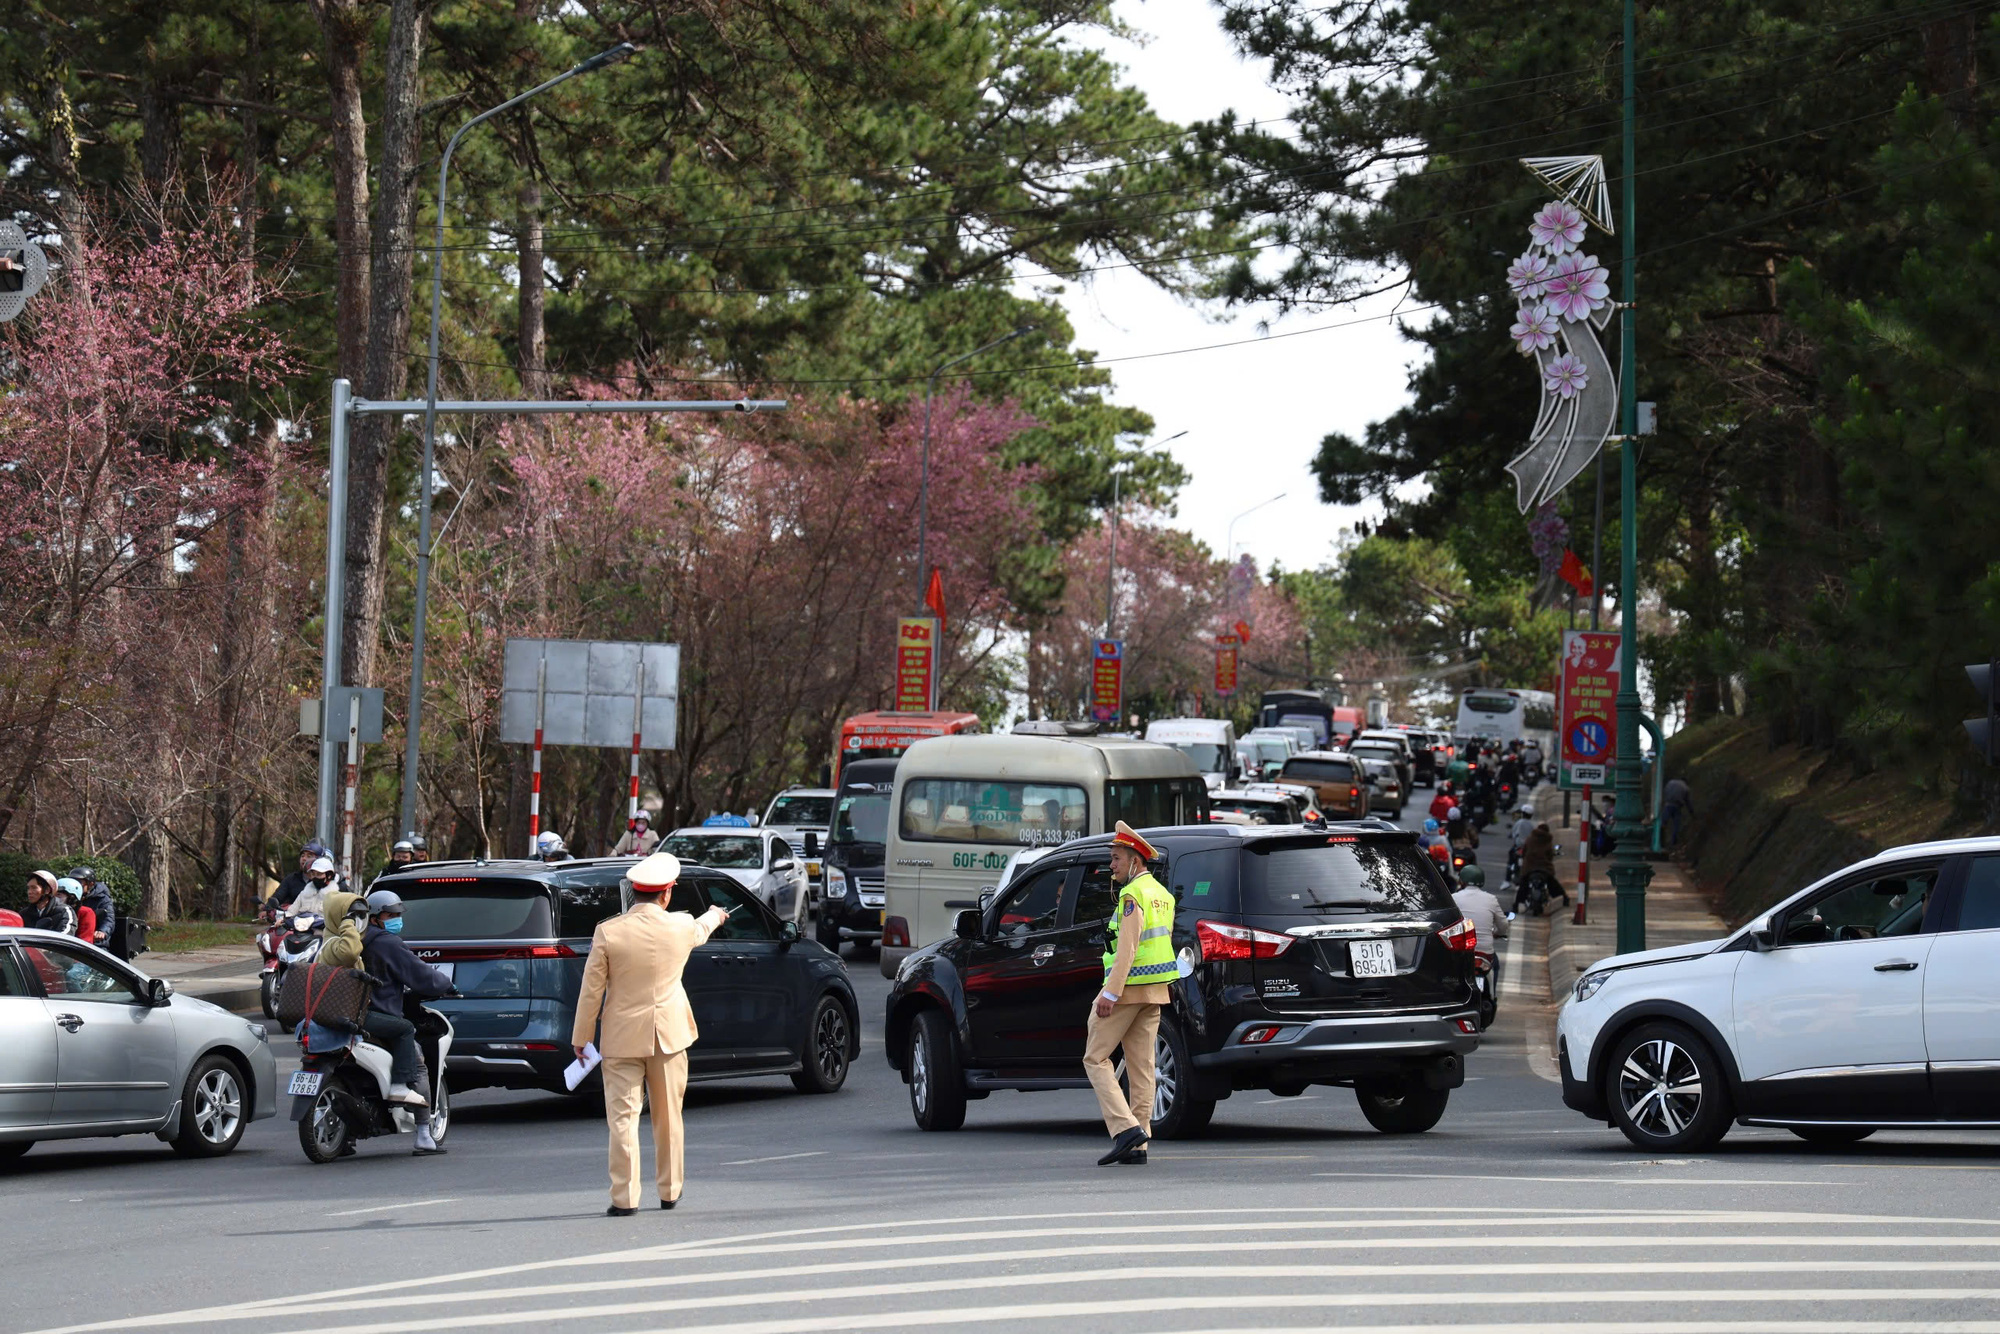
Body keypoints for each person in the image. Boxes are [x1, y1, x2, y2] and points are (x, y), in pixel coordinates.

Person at [571, 851, 729, 1215]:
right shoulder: (680, 926)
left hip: (621, 1039)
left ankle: (624, 1199)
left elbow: (591, 990)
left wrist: (582, 1037)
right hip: (669, 1036)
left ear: (633, 891)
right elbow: (702, 928)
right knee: (669, 1116)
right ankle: (670, 1191)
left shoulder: (608, 931)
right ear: (667, 892)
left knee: (622, 1121)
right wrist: (716, 914)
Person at [1082, 821, 1177, 1168]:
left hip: (1127, 989)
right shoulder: (1163, 895)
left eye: (1116, 858)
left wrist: (1110, 993)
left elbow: (1128, 948)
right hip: (1155, 991)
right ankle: (1139, 1145)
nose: (1112, 865)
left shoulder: (1132, 895)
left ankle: (1125, 1131)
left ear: (1135, 860)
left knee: (1095, 1059)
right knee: (1142, 1067)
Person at [360, 889, 452, 1154]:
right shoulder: (387, 943)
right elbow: (420, 974)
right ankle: (423, 1133)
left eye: (398, 915)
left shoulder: (349, 940)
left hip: (343, 1015)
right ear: (375, 918)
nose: (397, 920)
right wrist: (446, 984)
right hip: (379, 1015)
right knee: (419, 1063)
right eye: (391, 915)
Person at [1452, 865, 1508, 954]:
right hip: (1484, 950)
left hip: (1462, 949)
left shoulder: (1454, 898)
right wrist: (1498, 933)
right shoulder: (1491, 899)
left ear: (1461, 881)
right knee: (1494, 962)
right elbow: (1503, 924)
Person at [268, 841, 328, 917]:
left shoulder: (327, 881)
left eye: (309, 856)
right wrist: (267, 909)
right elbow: (278, 897)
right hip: (293, 920)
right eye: (302, 856)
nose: (304, 858)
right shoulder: (291, 879)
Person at [69, 867, 116, 953]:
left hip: (95, 943)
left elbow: (108, 918)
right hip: (72, 939)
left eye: (79, 882)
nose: (76, 885)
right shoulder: (70, 897)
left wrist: (102, 931)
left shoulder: (102, 899)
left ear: (90, 884)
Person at [25, 869, 75, 935]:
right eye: (28, 888)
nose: (29, 892)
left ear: (47, 890)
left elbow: (65, 936)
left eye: (34, 888)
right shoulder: (24, 914)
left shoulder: (64, 912)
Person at [60, 878, 96, 946]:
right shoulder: (52, 911)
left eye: (59, 895)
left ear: (71, 898)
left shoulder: (85, 912)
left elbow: (84, 942)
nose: (56, 899)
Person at [1663, 776, 1694, 846]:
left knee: (1663, 822)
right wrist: (1692, 813)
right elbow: (1688, 802)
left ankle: (1660, 839)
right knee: (1676, 824)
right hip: (1677, 806)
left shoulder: (1670, 782)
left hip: (1668, 804)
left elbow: (1665, 791)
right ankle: (1674, 841)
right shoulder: (1686, 788)